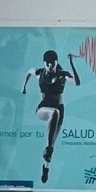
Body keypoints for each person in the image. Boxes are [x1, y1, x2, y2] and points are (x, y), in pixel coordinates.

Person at [22, 50, 81, 184]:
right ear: (45, 63)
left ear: (56, 63)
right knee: (54, 113)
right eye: (48, 64)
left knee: (52, 145)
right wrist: (24, 87)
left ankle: (46, 167)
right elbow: (29, 72)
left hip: (59, 111)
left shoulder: (62, 75)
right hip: (43, 109)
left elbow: (77, 83)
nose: (50, 67)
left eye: (52, 64)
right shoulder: (39, 73)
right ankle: (48, 149)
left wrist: (71, 63)